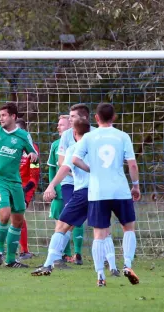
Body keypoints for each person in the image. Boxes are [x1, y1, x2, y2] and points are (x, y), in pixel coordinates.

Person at [72, 103, 141, 287]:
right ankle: (127, 264)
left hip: (98, 192)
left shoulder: (88, 136)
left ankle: (100, 275)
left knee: (99, 235)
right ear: (114, 117)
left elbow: (74, 160)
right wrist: (135, 186)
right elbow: (132, 165)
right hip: (120, 190)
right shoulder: (122, 136)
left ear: (96, 118)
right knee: (129, 228)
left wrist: (90, 169)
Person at [0, 103, 38, 268]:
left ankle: (11, 260)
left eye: (4, 115)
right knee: (4, 214)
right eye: (0, 115)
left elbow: (33, 154)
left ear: (13, 116)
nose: (1, 118)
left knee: (18, 220)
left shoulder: (23, 135)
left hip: (15, 182)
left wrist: (33, 155)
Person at [31, 118, 92, 276]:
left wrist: (51, 185)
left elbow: (64, 168)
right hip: (103, 192)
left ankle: (48, 264)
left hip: (83, 191)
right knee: (103, 230)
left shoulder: (74, 148)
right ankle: (114, 268)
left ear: (74, 131)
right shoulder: (99, 145)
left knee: (61, 226)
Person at [57, 104, 97, 264]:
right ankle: (58, 256)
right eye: (69, 116)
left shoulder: (96, 134)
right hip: (68, 182)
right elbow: (61, 163)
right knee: (65, 220)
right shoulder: (65, 137)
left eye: (72, 116)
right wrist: (74, 172)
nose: (69, 119)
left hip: (92, 185)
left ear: (84, 118)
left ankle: (103, 259)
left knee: (100, 221)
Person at [46, 115, 74, 261]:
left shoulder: (83, 141)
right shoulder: (56, 145)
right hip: (61, 189)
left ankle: (73, 254)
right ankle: (61, 255)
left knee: (75, 222)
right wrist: (53, 187)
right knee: (61, 222)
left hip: (80, 187)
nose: (58, 127)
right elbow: (52, 168)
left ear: (71, 125)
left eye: (61, 125)